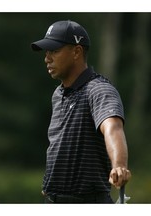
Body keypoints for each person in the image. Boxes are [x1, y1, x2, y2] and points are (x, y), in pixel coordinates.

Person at [31, 20, 131, 203]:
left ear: (76, 51)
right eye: (47, 52)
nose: (47, 58)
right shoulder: (58, 94)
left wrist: (119, 166)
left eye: (54, 51)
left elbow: (113, 128)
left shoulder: (99, 89)